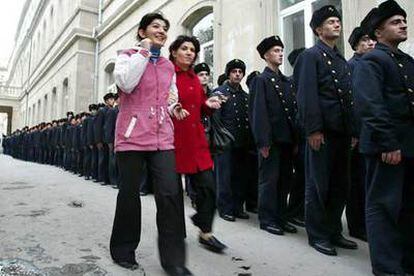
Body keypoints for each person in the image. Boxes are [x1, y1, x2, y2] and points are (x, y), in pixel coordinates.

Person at [110, 13, 192, 276]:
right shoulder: (126, 56)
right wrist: (143, 54)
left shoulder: (168, 66)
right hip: (132, 137)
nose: (162, 31)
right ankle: (123, 250)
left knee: (170, 195)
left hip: (162, 137)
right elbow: (125, 82)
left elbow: (169, 96)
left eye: (165, 28)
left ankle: (174, 261)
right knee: (129, 195)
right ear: (142, 31)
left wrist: (174, 106)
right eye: (156, 26)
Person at [353, 1, 414, 274]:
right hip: (386, 147)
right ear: (378, 33)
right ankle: (387, 268)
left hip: (409, 146)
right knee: (384, 207)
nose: (403, 24)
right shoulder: (372, 61)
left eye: (403, 20)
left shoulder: (407, 61)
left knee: (408, 207)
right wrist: (388, 142)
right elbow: (370, 104)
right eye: (395, 22)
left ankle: (406, 261)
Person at [294, 5, 358, 256]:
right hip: (322, 133)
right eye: (331, 21)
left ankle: (333, 231)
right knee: (318, 184)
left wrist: (353, 131)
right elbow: (307, 96)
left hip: (341, 133)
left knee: (340, 184)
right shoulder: (311, 56)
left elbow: (348, 98)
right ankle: (318, 234)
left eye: (338, 20)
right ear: (319, 29)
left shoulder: (340, 59)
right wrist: (313, 130)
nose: (336, 24)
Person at [169, 35, 227, 253]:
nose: (189, 52)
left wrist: (209, 104)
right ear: (174, 52)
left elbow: (200, 107)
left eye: (193, 49)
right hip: (173, 141)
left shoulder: (194, 78)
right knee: (172, 194)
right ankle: (174, 233)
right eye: (184, 48)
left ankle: (205, 231)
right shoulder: (168, 75)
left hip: (196, 142)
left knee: (209, 188)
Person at [250, 35, 298, 235]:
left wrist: (295, 139)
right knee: (269, 180)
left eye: (281, 50)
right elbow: (258, 113)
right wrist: (263, 141)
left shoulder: (286, 81)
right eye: (276, 51)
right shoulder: (261, 80)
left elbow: (292, 112)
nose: (280, 54)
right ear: (266, 55)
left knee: (285, 179)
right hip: (271, 141)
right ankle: (267, 218)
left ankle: (281, 216)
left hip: (286, 139)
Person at [346, 22, 376, 242]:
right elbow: (353, 103)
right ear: (356, 45)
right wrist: (354, 133)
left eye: (371, 39)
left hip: (373, 131)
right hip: (359, 133)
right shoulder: (353, 66)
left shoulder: (373, 63)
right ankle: (357, 226)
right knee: (357, 181)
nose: (370, 43)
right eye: (365, 40)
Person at [213, 59, 251, 222]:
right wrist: (221, 140)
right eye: (234, 71)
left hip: (242, 142)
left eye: (240, 72)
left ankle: (237, 207)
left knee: (240, 176)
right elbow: (216, 119)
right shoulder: (219, 93)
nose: (237, 74)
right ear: (228, 74)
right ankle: (225, 208)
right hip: (225, 143)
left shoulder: (244, 96)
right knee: (225, 177)